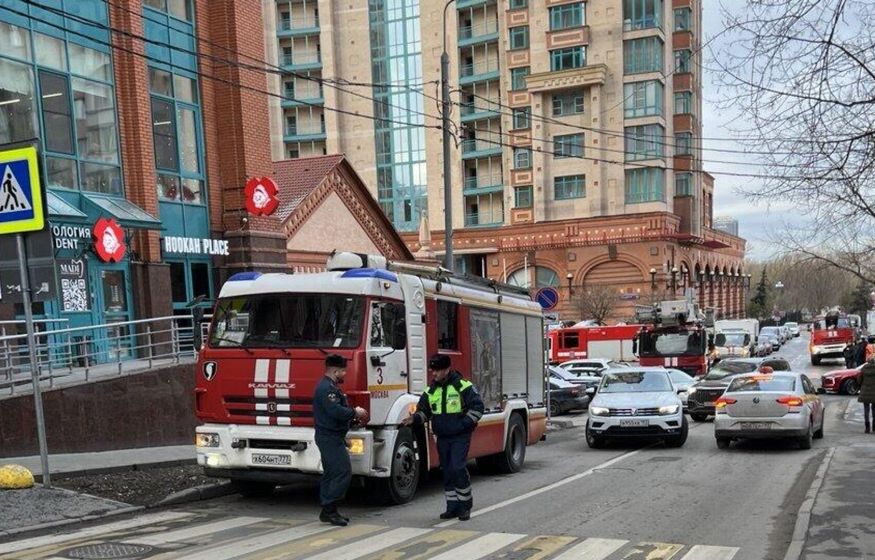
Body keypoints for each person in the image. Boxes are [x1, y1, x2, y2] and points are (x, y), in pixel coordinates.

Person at [403, 354, 484, 521]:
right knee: (447, 471)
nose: (434, 374)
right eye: (433, 370)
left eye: (437, 370)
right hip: (442, 437)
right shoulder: (431, 390)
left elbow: (477, 408)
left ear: (447, 369)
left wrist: (463, 425)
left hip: (460, 436)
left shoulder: (462, 386)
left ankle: (465, 506)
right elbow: (424, 412)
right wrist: (414, 419)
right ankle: (452, 507)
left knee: (457, 468)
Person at [312, 354, 367, 526]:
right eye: (343, 371)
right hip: (329, 437)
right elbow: (335, 412)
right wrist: (355, 412)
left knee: (331, 473)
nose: (345, 374)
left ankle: (329, 510)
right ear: (335, 371)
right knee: (342, 472)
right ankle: (329, 509)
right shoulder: (327, 389)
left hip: (332, 436)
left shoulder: (329, 387)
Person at [858, 358, 875, 433]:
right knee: (874, 410)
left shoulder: (863, 368)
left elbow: (859, 379)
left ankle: (867, 428)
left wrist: (862, 385)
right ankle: (874, 427)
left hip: (865, 391)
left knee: (866, 410)